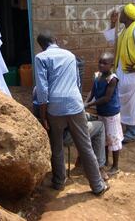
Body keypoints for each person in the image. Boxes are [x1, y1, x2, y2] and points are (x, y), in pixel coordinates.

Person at [34, 30, 109, 195]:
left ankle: (58, 183)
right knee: (85, 147)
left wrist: (44, 116)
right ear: (55, 39)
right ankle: (97, 186)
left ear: (41, 46)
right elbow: (78, 81)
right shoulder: (69, 55)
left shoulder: (41, 58)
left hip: (54, 109)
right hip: (75, 105)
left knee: (57, 147)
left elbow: (42, 89)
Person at [103, 3, 135, 143]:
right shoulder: (127, 30)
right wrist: (112, 23)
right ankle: (124, 129)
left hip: (132, 77)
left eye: (122, 13)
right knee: (124, 103)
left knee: (132, 105)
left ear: (127, 16)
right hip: (123, 74)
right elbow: (113, 40)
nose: (120, 14)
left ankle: (132, 133)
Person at [32, 87, 108, 181]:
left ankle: (72, 169)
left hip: (49, 135)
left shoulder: (38, 89)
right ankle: (99, 167)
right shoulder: (64, 90)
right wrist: (88, 116)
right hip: (65, 135)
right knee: (99, 126)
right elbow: (75, 118)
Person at [85, 52, 123, 176]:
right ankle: (105, 161)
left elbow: (107, 98)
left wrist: (89, 105)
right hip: (101, 111)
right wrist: (86, 101)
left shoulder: (112, 79)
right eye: (100, 62)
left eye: (104, 63)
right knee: (104, 138)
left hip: (111, 113)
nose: (101, 65)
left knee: (113, 139)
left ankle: (115, 165)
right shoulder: (97, 76)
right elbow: (93, 91)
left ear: (111, 65)